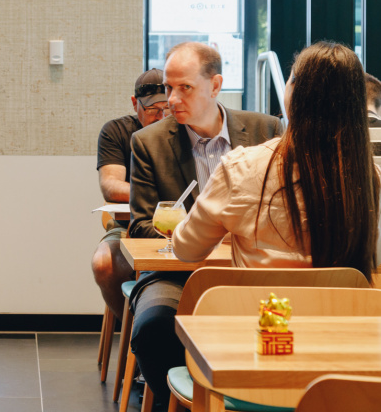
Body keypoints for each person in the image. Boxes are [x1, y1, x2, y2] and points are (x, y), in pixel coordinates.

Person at [127, 42, 281, 404]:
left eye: (185, 88)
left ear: (215, 85)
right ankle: (179, 403)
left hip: (254, 270)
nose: (172, 99)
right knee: (152, 327)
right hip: (177, 272)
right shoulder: (148, 142)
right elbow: (142, 225)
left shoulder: (265, 130)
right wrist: (207, 232)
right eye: (169, 87)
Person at [173, 42, 380, 280]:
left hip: (262, 304)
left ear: (293, 94)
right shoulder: (371, 179)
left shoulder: (240, 169)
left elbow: (186, 249)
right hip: (343, 305)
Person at [91, 68, 168, 318]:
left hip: (180, 225)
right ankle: (134, 328)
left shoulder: (184, 130)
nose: (161, 116)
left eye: (167, 108)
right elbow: (111, 186)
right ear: (136, 104)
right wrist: (162, 196)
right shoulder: (118, 131)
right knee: (104, 263)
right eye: (153, 109)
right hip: (129, 225)